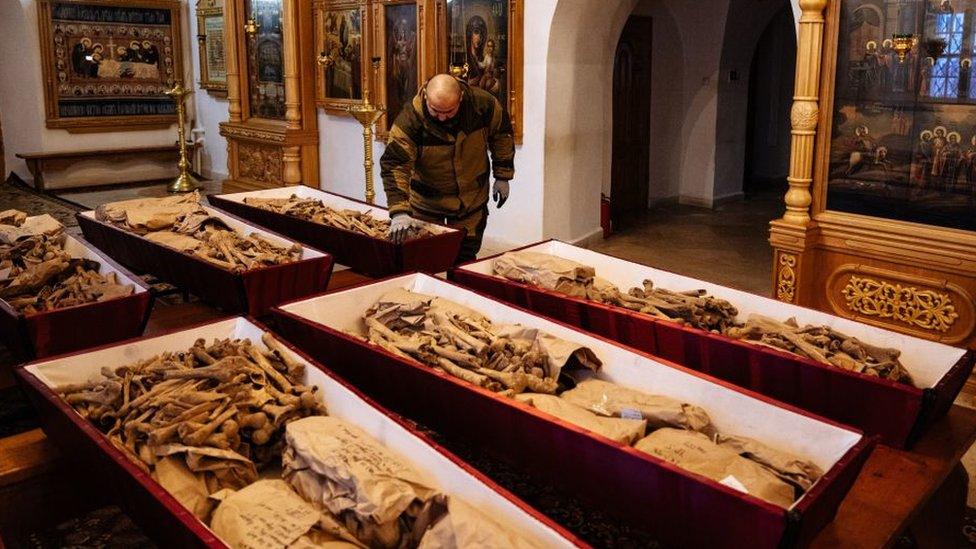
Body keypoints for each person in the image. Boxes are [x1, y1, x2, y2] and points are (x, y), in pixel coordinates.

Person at [380, 74, 514, 263]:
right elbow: (395, 165)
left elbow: (502, 136)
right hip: (426, 204)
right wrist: (399, 211)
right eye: (435, 111)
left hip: (471, 201)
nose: (442, 117)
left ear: (461, 98)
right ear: (425, 95)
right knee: (421, 260)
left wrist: (503, 175)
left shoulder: (483, 105)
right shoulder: (409, 121)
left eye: (449, 111)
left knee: (464, 261)